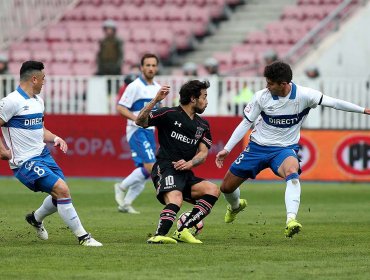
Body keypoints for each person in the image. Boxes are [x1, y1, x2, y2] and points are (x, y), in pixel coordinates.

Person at [215, 61, 370, 238]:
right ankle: (236, 206)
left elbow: (334, 103)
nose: (267, 86)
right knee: (226, 188)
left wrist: (364, 110)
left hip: (284, 149)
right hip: (257, 147)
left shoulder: (305, 95)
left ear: (283, 84)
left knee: (292, 171)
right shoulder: (261, 97)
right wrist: (227, 149)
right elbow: (246, 123)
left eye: (270, 83)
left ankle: (291, 220)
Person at [0, 61, 102, 246]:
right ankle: (84, 238)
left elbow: (40, 129)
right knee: (61, 190)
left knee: (60, 194)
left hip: (43, 155)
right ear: (34, 78)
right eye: (43, 78)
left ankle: (35, 218)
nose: (44, 82)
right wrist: (2, 150)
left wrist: (55, 137)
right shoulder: (11, 101)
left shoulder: (38, 101)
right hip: (24, 162)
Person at [135, 80, 220, 244]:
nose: (206, 101)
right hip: (165, 167)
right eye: (204, 97)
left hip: (185, 172)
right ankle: (158, 235)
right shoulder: (168, 114)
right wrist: (155, 100)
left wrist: (191, 163)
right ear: (193, 99)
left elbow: (203, 153)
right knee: (176, 198)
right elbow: (140, 121)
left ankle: (183, 230)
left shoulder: (203, 124)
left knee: (213, 190)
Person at [114, 53, 161, 214]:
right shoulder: (134, 86)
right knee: (150, 166)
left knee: (144, 170)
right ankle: (121, 187)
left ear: (157, 68)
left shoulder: (157, 88)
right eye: (147, 65)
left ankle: (125, 204)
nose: (151, 68)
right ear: (142, 68)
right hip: (136, 131)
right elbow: (120, 107)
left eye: (153, 65)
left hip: (150, 132)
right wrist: (136, 119)